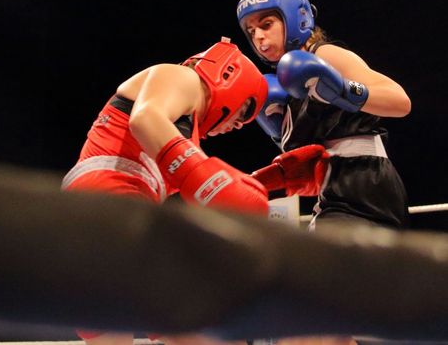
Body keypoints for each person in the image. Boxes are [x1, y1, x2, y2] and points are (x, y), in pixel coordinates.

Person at [61, 37, 330, 345]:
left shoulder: (178, 138)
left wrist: (271, 180)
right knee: (209, 325)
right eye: (245, 111)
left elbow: (198, 185)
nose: (239, 125)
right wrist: (205, 177)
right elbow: (145, 119)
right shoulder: (181, 77)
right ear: (229, 77)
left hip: (92, 215)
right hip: (110, 201)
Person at [236, 0, 411, 231]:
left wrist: (342, 89)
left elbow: (400, 101)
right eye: (252, 31)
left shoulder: (324, 55)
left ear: (295, 19)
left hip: (366, 182)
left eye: (267, 24)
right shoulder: (285, 85)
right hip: (334, 188)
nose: (259, 37)